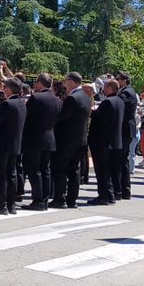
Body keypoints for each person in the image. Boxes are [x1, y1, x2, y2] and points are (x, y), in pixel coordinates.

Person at [0, 77, 25, 214]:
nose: (3, 90)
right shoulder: (21, 103)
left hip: (3, 144)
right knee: (11, 174)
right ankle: (11, 205)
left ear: (9, 89)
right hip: (15, 144)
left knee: (2, 175)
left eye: (5, 87)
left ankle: (1, 205)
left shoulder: (7, 104)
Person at [52, 72, 91, 209]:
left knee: (61, 169)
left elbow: (63, 118)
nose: (65, 83)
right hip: (80, 139)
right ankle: (72, 200)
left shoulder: (72, 98)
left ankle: (60, 199)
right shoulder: (86, 97)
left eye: (66, 80)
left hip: (68, 140)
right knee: (74, 171)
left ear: (72, 81)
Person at [22, 73, 59, 211]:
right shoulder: (56, 99)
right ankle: (44, 199)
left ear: (40, 83)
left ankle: (37, 200)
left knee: (34, 170)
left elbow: (27, 116)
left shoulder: (36, 97)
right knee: (45, 170)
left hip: (34, 138)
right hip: (49, 138)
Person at [87, 79, 125, 206]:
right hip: (115, 141)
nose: (103, 90)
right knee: (110, 171)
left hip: (103, 141)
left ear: (109, 89)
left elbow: (100, 120)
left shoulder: (107, 102)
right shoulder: (120, 101)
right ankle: (110, 195)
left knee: (102, 171)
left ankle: (103, 196)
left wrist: (92, 112)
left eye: (105, 87)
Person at [116, 71, 139, 197]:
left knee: (120, 159)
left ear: (124, 80)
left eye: (118, 79)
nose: (117, 81)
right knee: (122, 159)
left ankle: (122, 189)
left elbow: (117, 106)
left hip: (125, 129)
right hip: (127, 129)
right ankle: (124, 189)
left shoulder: (126, 93)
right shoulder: (127, 91)